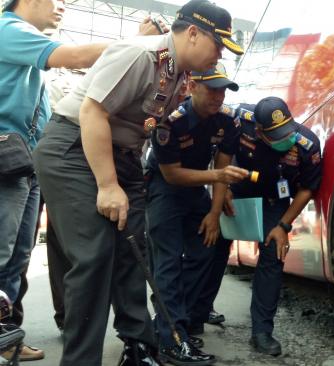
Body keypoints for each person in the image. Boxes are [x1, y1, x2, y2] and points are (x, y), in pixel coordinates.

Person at [32, 0, 248, 364]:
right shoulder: (139, 54)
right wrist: (106, 185)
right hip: (73, 149)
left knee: (134, 254)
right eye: (219, 43)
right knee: (95, 254)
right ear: (193, 33)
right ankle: (81, 359)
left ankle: (139, 348)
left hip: (123, 156)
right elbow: (92, 111)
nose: (221, 53)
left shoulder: (178, 73)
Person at [0, 0, 139, 360]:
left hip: (24, 162)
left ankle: (7, 338)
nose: (62, 7)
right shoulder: (9, 30)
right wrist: (136, 46)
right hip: (5, 157)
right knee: (2, 254)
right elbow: (75, 57)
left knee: (18, 257)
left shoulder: (23, 39)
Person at [146, 62, 245, 364]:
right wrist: (217, 178)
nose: (219, 97)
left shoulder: (228, 121)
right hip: (164, 188)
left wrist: (214, 215)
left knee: (205, 250)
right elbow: (174, 175)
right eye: (212, 89)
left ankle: (171, 326)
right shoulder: (169, 122)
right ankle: (173, 340)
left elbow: (223, 168)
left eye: (223, 91)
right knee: (169, 261)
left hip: (197, 188)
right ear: (192, 87)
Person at [228, 96, 323, 356]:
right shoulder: (241, 120)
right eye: (276, 135)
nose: (286, 139)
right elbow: (222, 152)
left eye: (288, 131)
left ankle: (261, 332)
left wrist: (283, 225)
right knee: (212, 245)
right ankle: (195, 314)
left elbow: (307, 189)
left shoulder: (307, 144)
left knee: (273, 254)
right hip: (237, 189)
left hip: (274, 199)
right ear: (259, 131)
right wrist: (221, 190)